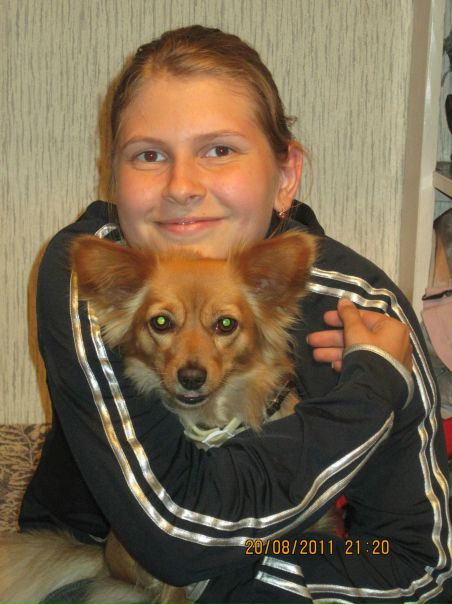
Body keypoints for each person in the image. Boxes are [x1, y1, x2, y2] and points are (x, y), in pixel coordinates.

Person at [19, 25, 451, 603]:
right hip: (102, 553)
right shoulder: (100, 276)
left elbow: (416, 563)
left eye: (219, 150)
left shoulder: (361, 309)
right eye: (149, 155)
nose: (181, 186)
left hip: (296, 561)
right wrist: (370, 393)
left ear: (285, 176)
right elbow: (174, 540)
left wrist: (253, 577)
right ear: (114, 179)